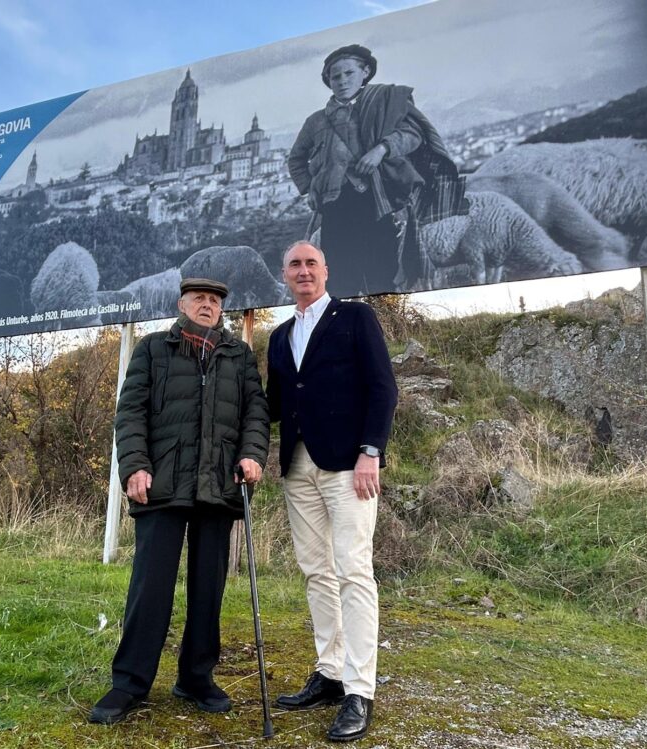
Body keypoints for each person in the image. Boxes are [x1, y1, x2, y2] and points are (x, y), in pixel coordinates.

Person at [89, 277, 270, 725]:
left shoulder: (239, 355)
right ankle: (129, 683)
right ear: (181, 305)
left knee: (208, 588)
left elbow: (256, 414)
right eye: (199, 299)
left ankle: (195, 677)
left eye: (215, 301)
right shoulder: (152, 349)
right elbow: (130, 411)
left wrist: (252, 454)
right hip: (162, 483)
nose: (208, 305)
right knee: (150, 587)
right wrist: (134, 466)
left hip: (219, 484)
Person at [265, 241, 398, 742]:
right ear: (285, 275)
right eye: (295, 265)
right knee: (316, 571)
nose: (303, 271)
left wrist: (371, 451)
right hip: (298, 468)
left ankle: (359, 691)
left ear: (325, 271)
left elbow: (383, 388)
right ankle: (330, 672)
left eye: (311, 264)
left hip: (349, 466)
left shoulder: (355, 317)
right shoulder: (279, 337)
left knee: (353, 571)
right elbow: (275, 404)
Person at [287, 44, 468, 297]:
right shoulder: (316, 121)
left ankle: (385, 330)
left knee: (382, 276)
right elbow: (296, 160)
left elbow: (412, 134)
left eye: (349, 73)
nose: (341, 81)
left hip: (377, 202)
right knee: (339, 280)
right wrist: (312, 189)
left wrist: (382, 149)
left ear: (365, 72)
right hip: (335, 209)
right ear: (328, 81)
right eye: (335, 76)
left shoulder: (383, 104)